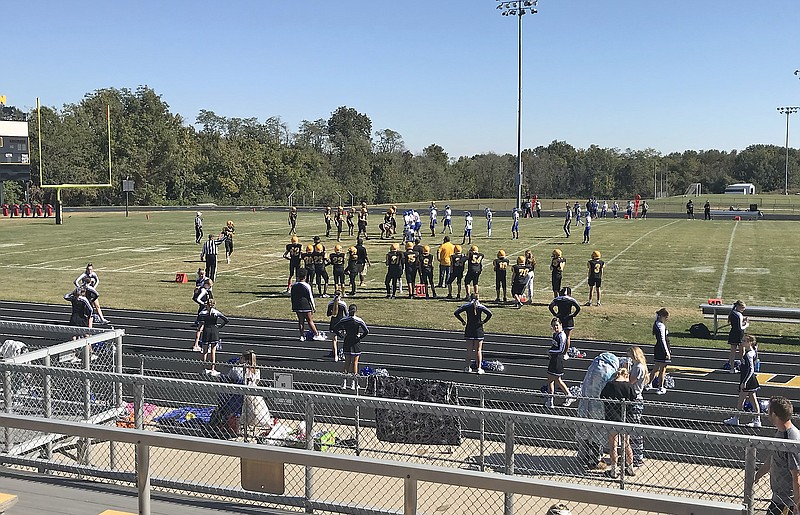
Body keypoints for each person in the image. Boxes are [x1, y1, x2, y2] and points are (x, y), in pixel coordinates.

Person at [753, 396, 800, 515]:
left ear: (774, 414)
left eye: (768, 410)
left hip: (786, 503)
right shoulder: (781, 433)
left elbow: (796, 475)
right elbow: (773, 458)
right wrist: (757, 475)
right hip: (779, 499)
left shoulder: (790, 440)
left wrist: (797, 505)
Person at [601, 368, 637, 479]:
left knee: (613, 445)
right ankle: (630, 467)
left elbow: (602, 396)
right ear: (626, 375)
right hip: (625, 418)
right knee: (626, 443)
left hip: (612, 417)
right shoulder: (629, 386)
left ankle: (614, 470)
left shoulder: (610, 385)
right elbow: (634, 398)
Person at [724, 335, 761, 427]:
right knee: (753, 400)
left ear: (749, 342)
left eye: (744, 341)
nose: (742, 342)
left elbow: (751, 369)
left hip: (747, 379)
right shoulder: (751, 351)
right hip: (749, 379)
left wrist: (744, 382)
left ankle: (736, 418)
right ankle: (757, 420)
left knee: (741, 400)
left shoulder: (749, 355)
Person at [332, 304, 369, 390]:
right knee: (355, 363)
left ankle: (344, 383)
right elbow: (366, 331)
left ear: (348, 310)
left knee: (347, 363)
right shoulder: (358, 320)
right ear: (356, 311)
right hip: (355, 342)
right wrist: (360, 337)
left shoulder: (344, 320)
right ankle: (354, 383)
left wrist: (342, 336)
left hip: (347, 341)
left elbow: (335, 329)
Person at [454, 294, 493, 374]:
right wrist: (484, 321)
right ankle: (479, 368)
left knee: (469, 350)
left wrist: (462, 321)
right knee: (478, 350)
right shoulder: (480, 306)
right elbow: (489, 314)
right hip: (478, 330)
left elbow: (456, 312)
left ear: (470, 298)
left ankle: (467, 368)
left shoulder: (467, 306)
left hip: (469, 329)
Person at [545, 318, 576, 408]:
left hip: (557, 360)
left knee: (550, 380)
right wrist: (551, 351)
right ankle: (569, 396)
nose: (555, 327)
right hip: (554, 359)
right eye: (553, 326)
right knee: (557, 380)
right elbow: (554, 346)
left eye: (557, 325)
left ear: (561, 325)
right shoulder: (555, 334)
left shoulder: (562, 336)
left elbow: (561, 350)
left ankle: (550, 401)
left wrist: (550, 351)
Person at [627, 346, 649, 467]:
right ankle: (632, 455)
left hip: (635, 400)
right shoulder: (637, 366)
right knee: (631, 429)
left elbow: (630, 381)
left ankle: (638, 457)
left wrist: (624, 371)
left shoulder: (638, 367)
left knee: (635, 430)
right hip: (634, 399)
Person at [192, 298, 229, 371]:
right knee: (213, 351)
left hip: (206, 331)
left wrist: (199, 328)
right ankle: (213, 369)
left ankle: (204, 368)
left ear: (207, 305)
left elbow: (200, 322)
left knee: (204, 351)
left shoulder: (202, 313)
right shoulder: (216, 312)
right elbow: (226, 320)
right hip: (214, 331)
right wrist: (219, 327)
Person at [290, 268, 324, 342]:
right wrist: (313, 306)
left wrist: (293, 305)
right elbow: (310, 297)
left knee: (301, 321)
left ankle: (302, 336)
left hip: (297, 305)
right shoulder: (307, 285)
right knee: (310, 321)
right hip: (306, 305)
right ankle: (316, 334)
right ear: (305, 277)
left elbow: (292, 296)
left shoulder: (294, 285)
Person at [649, 308, 671, 395]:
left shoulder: (656, 324)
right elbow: (663, 340)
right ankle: (660, 387)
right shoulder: (661, 326)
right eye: (666, 317)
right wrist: (667, 352)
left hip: (658, 348)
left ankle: (648, 384)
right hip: (662, 350)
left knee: (655, 368)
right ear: (662, 316)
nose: (667, 319)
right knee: (662, 370)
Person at [727, 300, 749, 373]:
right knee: (742, 351)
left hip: (733, 333)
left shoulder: (732, 313)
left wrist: (743, 321)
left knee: (732, 352)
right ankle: (743, 366)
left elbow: (736, 324)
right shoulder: (739, 315)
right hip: (739, 334)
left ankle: (732, 368)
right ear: (738, 306)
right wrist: (746, 324)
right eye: (743, 307)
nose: (744, 309)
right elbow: (740, 327)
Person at [326, 292, 348, 361]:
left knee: (334, 340)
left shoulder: (330, 303)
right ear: (340, 296)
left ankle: (335, 356)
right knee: (345, 339)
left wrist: (332, 312)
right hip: (341, 323)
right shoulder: (343, 304)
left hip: (333, 323)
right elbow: (347, 314)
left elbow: (328, 314)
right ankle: (344, 354)